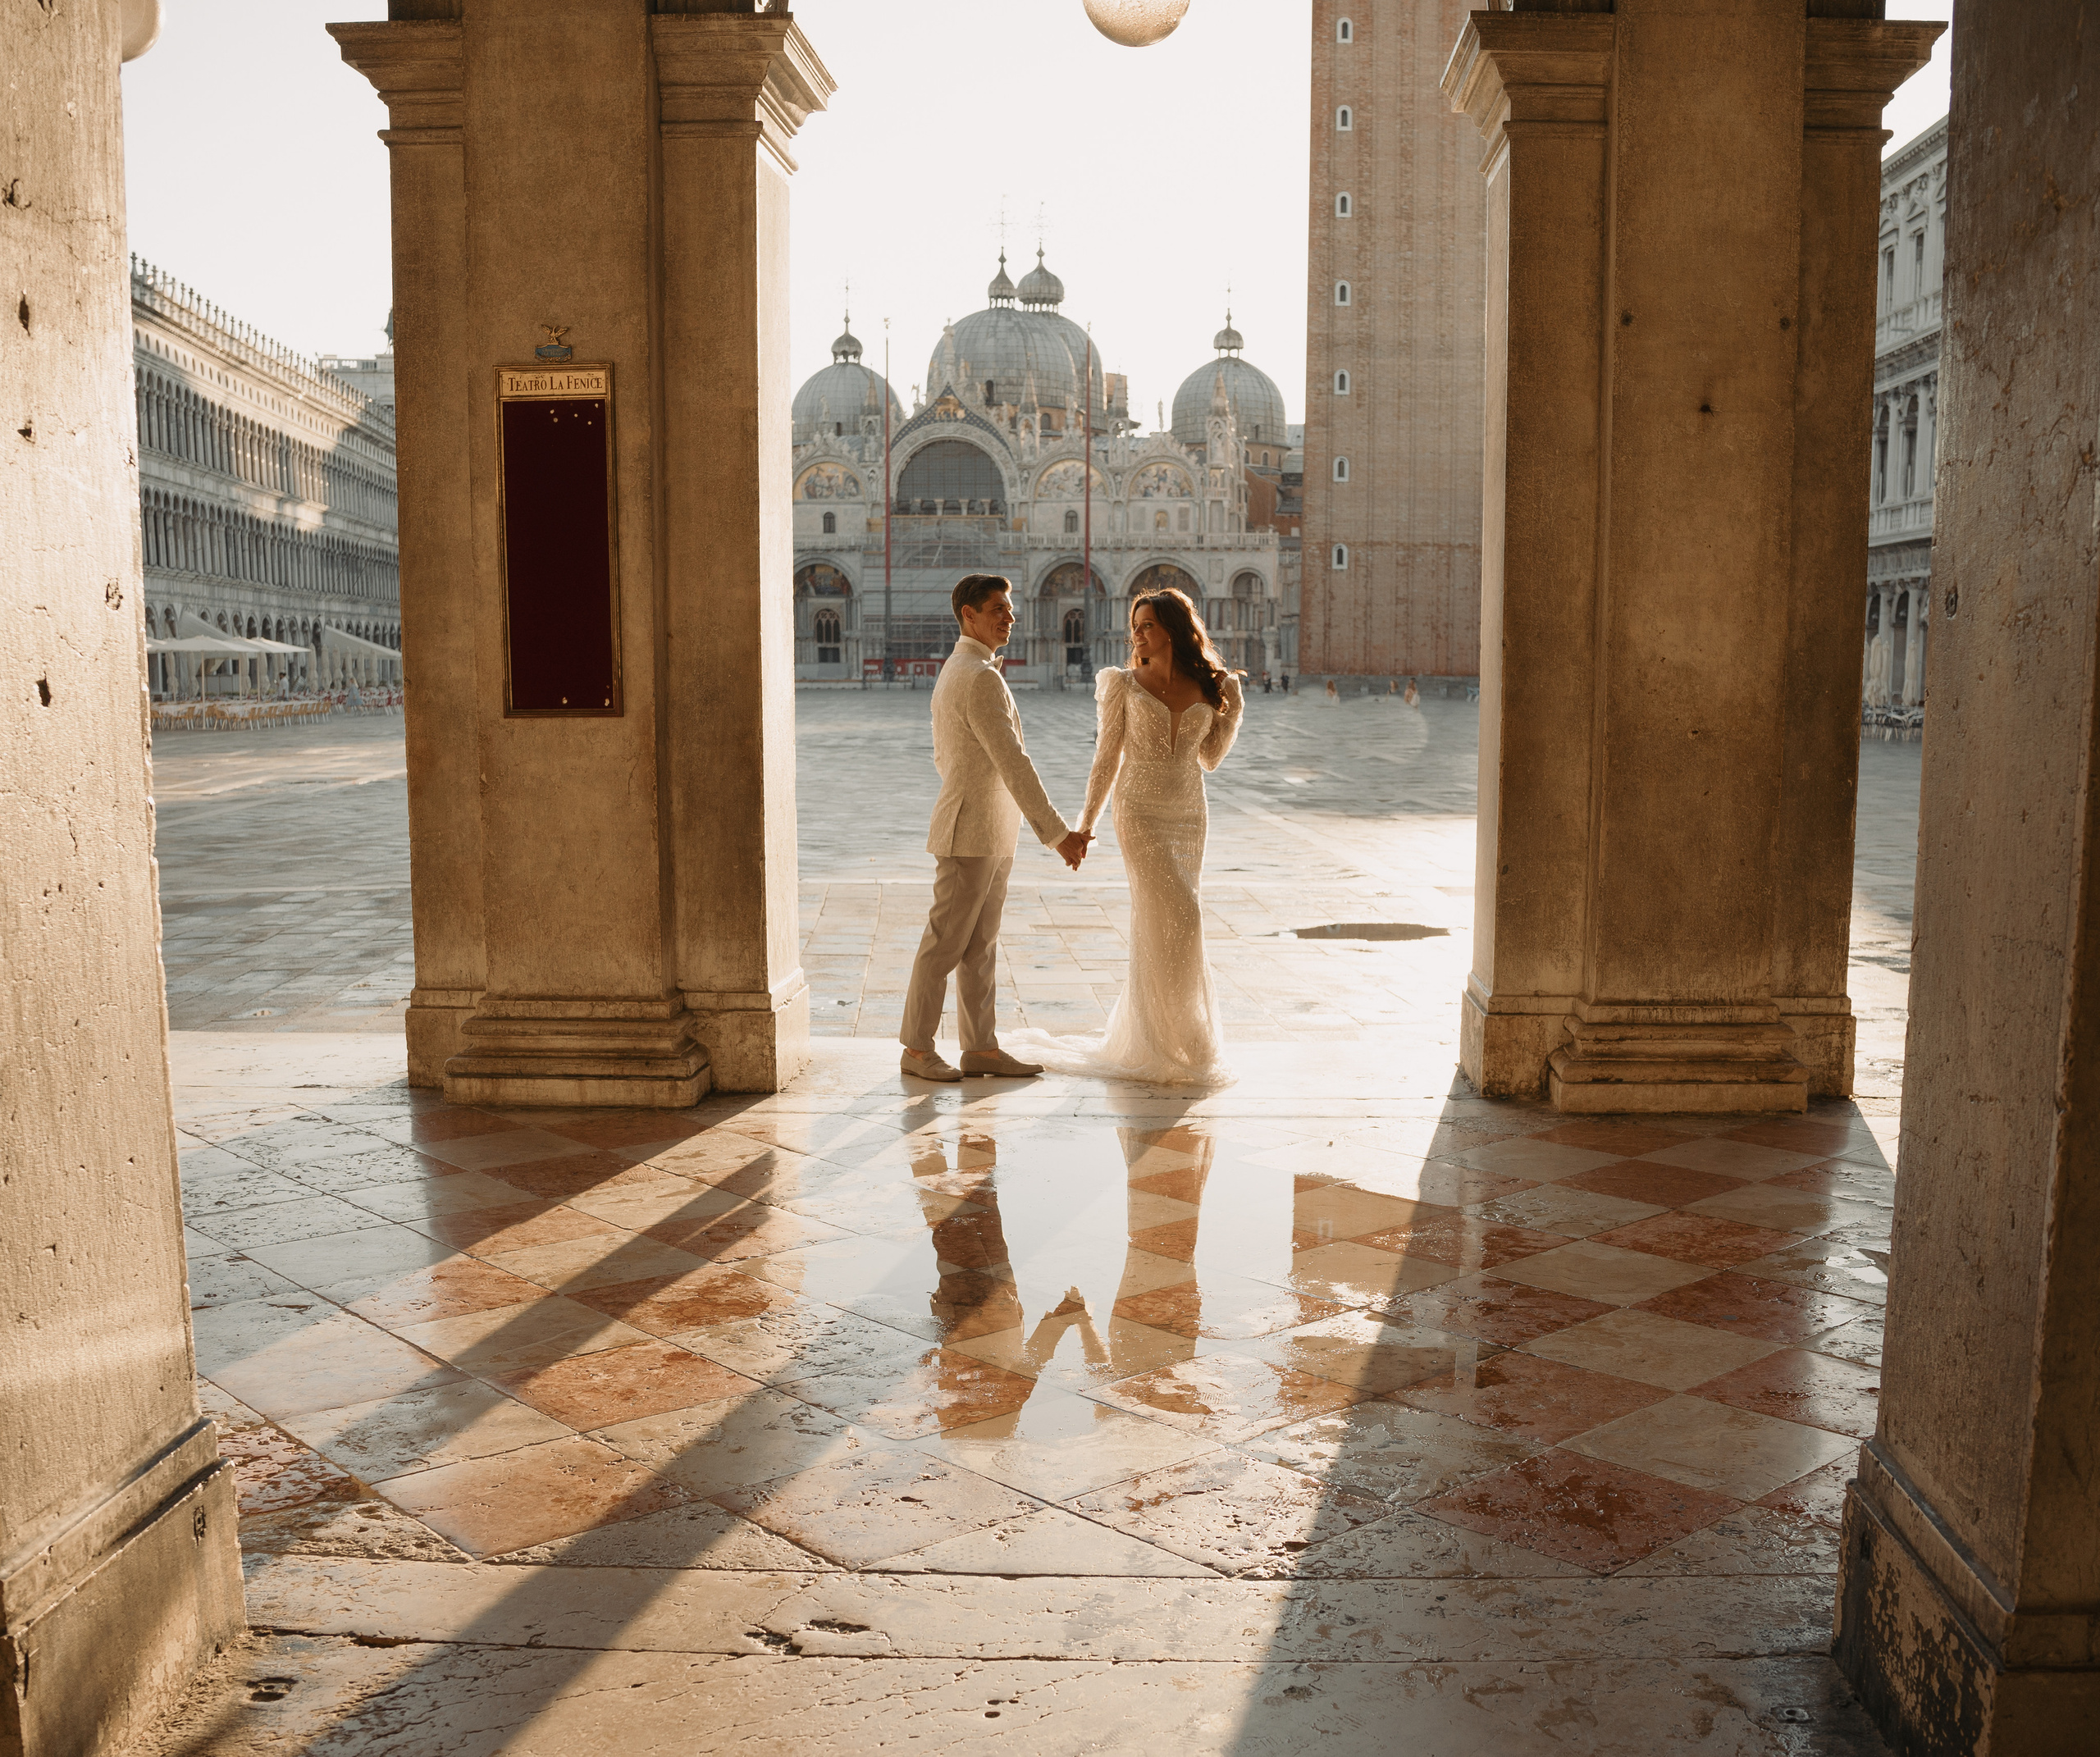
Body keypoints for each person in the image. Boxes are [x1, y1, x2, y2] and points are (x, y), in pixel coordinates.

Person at [1010, 587, 1243, 1086]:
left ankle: (1178, 1037)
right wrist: (1086, 825)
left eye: (1146, 626)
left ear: (1172, 630)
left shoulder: (1208, 684)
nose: (1136, 634)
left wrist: (1233, 712)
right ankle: (1168, 1039)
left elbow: (1210, 759)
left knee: (1170, 920)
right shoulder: (1123, 684)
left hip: (1189, 813)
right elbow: (1106, 757)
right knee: (1184, 914)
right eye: (1134, 626)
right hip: (1138, 810)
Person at [900, 573, 1091, 1084]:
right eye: (997, 610)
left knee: (979, 946)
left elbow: (949, 757)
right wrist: (1058, 834)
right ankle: (916, 1048)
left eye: (1009, 609)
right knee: (945, 943)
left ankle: (981, 1048)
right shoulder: (979, 677)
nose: (1009, 617)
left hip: (988, 828)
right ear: (969, 615)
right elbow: (1013, 762)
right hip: (970, 831)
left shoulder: (960, 668)